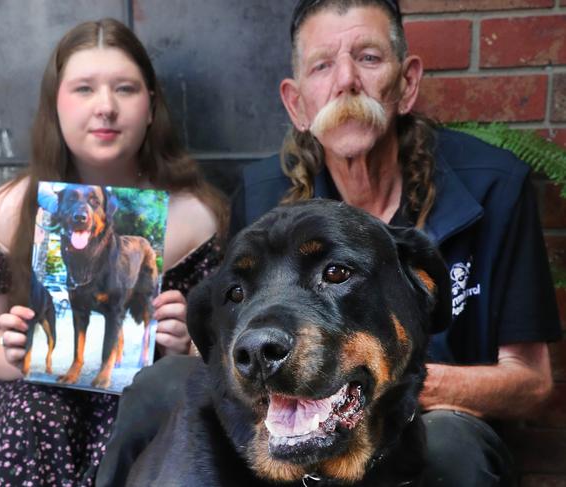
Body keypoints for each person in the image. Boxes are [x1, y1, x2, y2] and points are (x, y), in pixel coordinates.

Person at [227, 0, 562, 485]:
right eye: (322, 65)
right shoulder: (260, 199)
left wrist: (395, 384)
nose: (345, 80)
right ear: (297, 103)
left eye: (367, 57)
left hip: (439, 431)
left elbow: (532, 382)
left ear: (406, 84)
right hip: (301, 427)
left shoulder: (495, 188)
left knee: (448, 445)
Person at [0, 18, 226, 486]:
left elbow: (226, 355)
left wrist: (186, 343)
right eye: (84, 89)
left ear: (151, 107)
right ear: (55, 105)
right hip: (39, 431)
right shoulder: (9, 211)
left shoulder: (197, 217)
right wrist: (14, 353)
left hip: (147, 423)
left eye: (125, 89)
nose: (106, 108)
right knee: (35, 402)